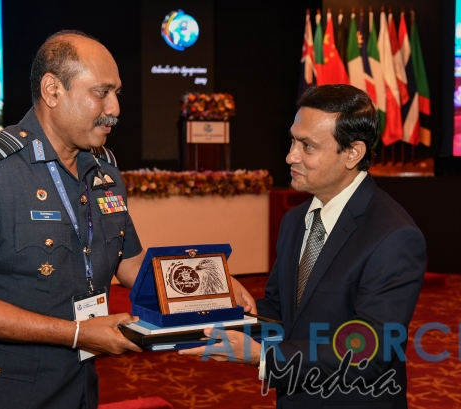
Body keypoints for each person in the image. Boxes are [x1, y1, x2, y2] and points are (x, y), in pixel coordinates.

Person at [0, 30, 254, 409]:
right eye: (102, 92)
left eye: (117, 93)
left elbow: (130, 264)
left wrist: (211, 287)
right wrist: (77, 333)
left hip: (76, 382)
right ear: (52, 90)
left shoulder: (104, 171)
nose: (115, 108)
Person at [180, 84, 426, 408]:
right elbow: (283, 310)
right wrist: (231, 310)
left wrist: (262, 356)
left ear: (353, 153)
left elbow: (369, 350)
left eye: (307, 146)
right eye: (293, 141)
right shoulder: (295, 220)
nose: (290, 156)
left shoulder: (394, 236)